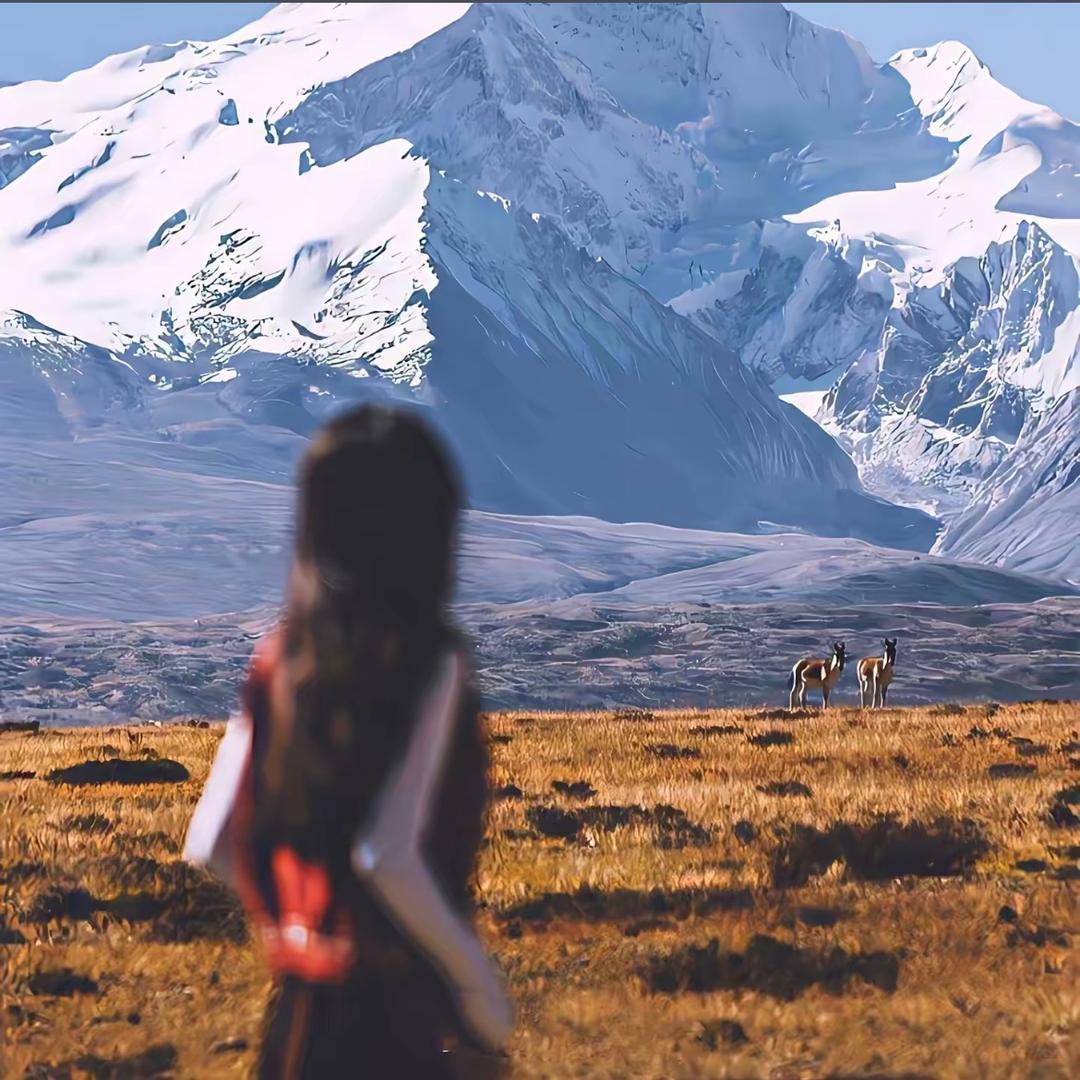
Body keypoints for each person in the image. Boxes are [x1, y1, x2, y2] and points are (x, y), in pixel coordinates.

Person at [184, 404, 513, 1078]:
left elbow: (211, 842)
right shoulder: (431, 661)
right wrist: (476, 984)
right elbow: (385, 854)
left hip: (297, 1020)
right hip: (399, 1024)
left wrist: (299, 925)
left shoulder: (277, 660)